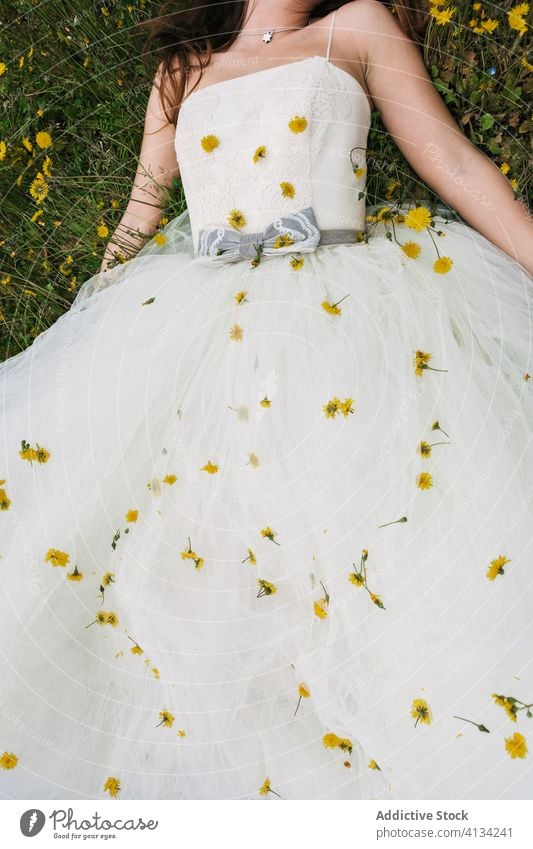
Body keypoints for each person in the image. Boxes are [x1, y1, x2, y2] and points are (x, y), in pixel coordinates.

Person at [1, 0, 532, 801]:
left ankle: (383, 749)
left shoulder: (354, 26)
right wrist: (88, 325)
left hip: (343, 310)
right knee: (200, 552)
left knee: (360, 523)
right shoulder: (181, 65)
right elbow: (141, 214)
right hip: (200, 322)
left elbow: (450, 164)